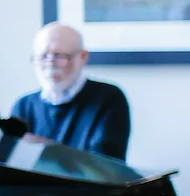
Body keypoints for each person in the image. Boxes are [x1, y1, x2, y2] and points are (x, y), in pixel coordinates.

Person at [10, 22, 131, 160]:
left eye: (59, 56)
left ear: (83, 57)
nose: (50, 65)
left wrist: (43, 149)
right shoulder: (24, 105)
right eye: (43, 56)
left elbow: (104, 165)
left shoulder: (109, 99)